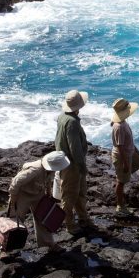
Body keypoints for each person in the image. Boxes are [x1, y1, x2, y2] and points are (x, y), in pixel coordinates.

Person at [6, 151, 69, 253]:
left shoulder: (50, 170)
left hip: (38, 194)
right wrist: (13, 200)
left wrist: (48, 194)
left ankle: (49, 244)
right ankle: (5, 249)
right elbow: (15, 182)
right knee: (14, 220)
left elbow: (48, 181)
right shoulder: (34, 170)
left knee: (43, 218)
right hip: (22, 195)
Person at [55, 90, 94, 233]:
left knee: (79, 192)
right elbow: (75, 148)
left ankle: (83, 217)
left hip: (66, 161)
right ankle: (70, 224)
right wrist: (82, 166)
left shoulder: (62, 117)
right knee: (69, 195)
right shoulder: (72, 122)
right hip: (72, 164)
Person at [110, 98, 139, 215]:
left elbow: (129, 141)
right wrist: (126, 163)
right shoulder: (119, 126)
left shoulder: (124, 123)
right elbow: (120, 147)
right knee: (121, 181)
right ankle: (120, 205)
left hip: (130, 152)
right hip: (122, 156)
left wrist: (136, 151)